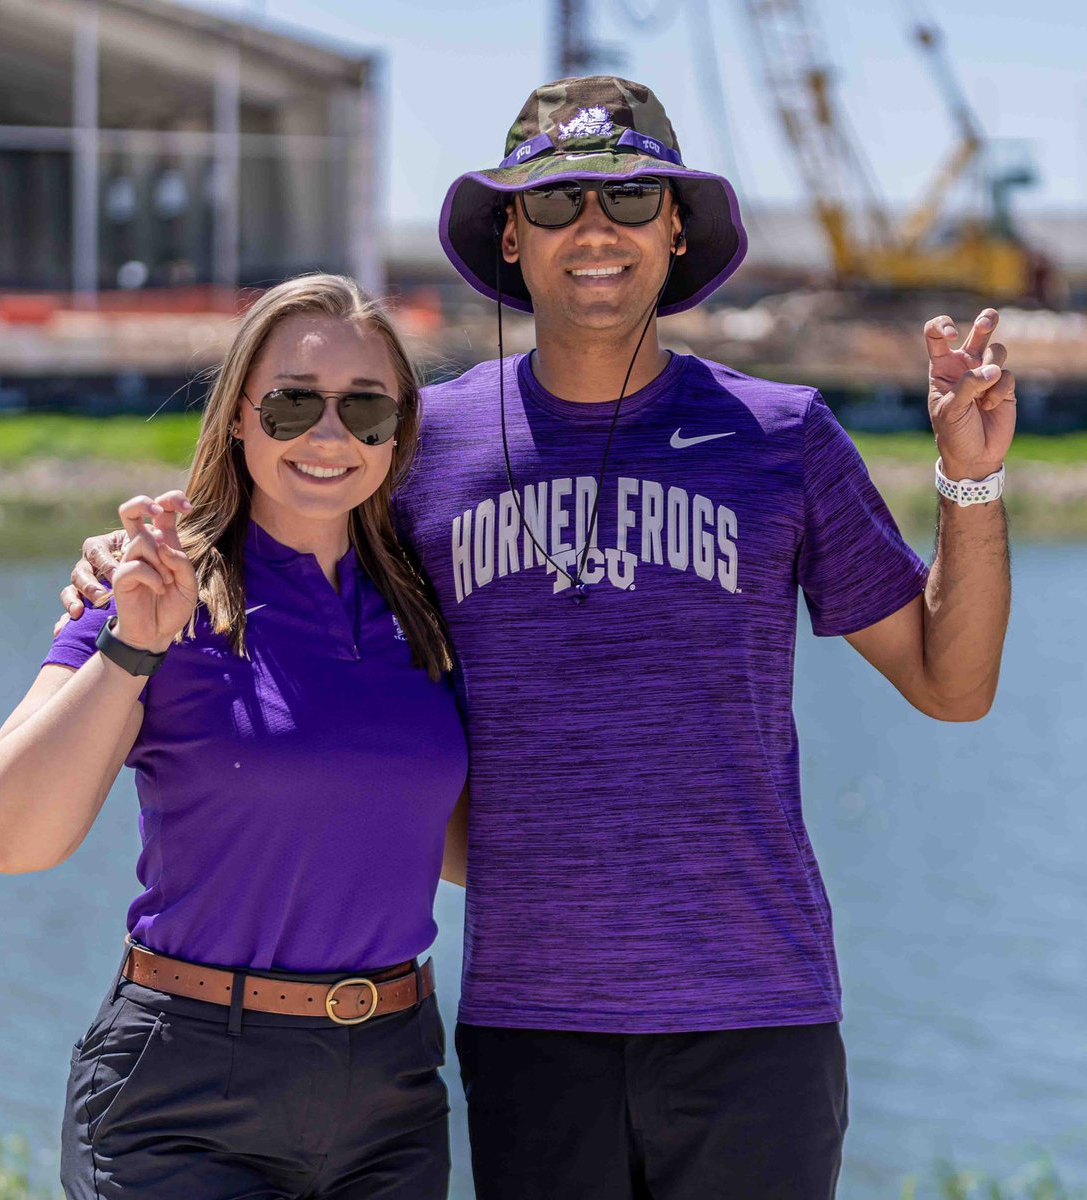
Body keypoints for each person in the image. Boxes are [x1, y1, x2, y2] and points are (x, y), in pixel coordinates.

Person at [59, 78, 1016, 1200]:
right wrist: (120, 571)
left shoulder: (783, 435)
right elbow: (285, 525)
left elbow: (953, 686)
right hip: (531, 1020)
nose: (594, 229)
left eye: (629, 198)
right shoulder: (424, 445)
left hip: (758, 1010)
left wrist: (970, 480)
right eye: (557, 202)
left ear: (676, 228)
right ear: (512, 235)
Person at [0, 275, 469, 1200]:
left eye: (364, 408)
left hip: (392, 1092)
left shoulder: (429, 604)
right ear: (239, 416)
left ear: (399, 431)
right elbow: (8, 838)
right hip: (188, 1088)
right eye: (292, 404)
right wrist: (129, 650)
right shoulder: (153, 588)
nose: (329, 436)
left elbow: (450, 839)